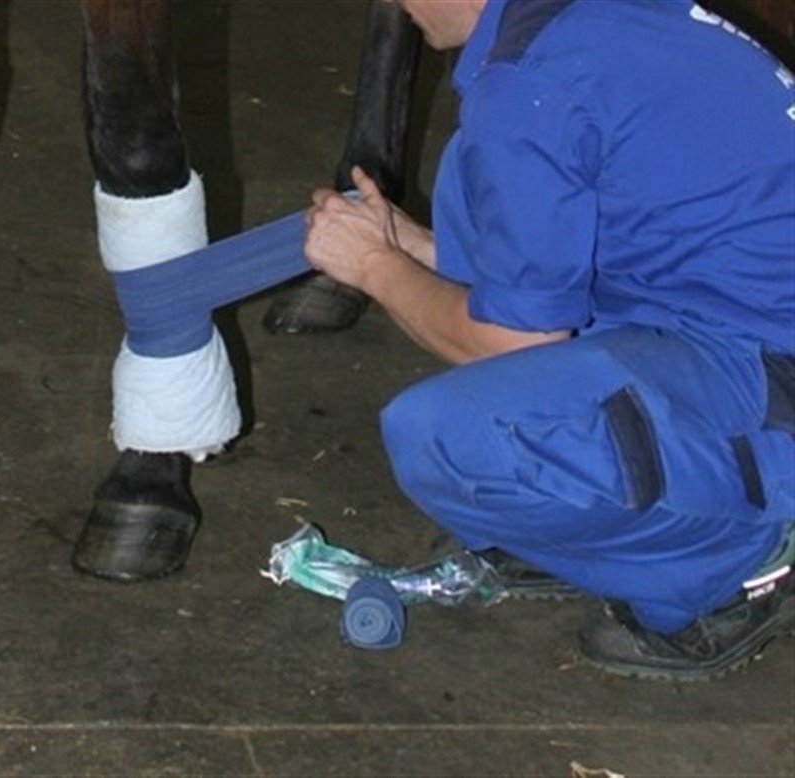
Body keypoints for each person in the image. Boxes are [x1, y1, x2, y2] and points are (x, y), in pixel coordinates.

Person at [303, 0, 794, 681]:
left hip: (768, 371)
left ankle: (748, 559)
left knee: (448, 438)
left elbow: (511, 343)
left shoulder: (530, 81)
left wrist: (376, 270)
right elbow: (559, 249)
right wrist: (407, 247)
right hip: (731, 315)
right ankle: (610, 529)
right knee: (473, 181)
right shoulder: (568, 26)